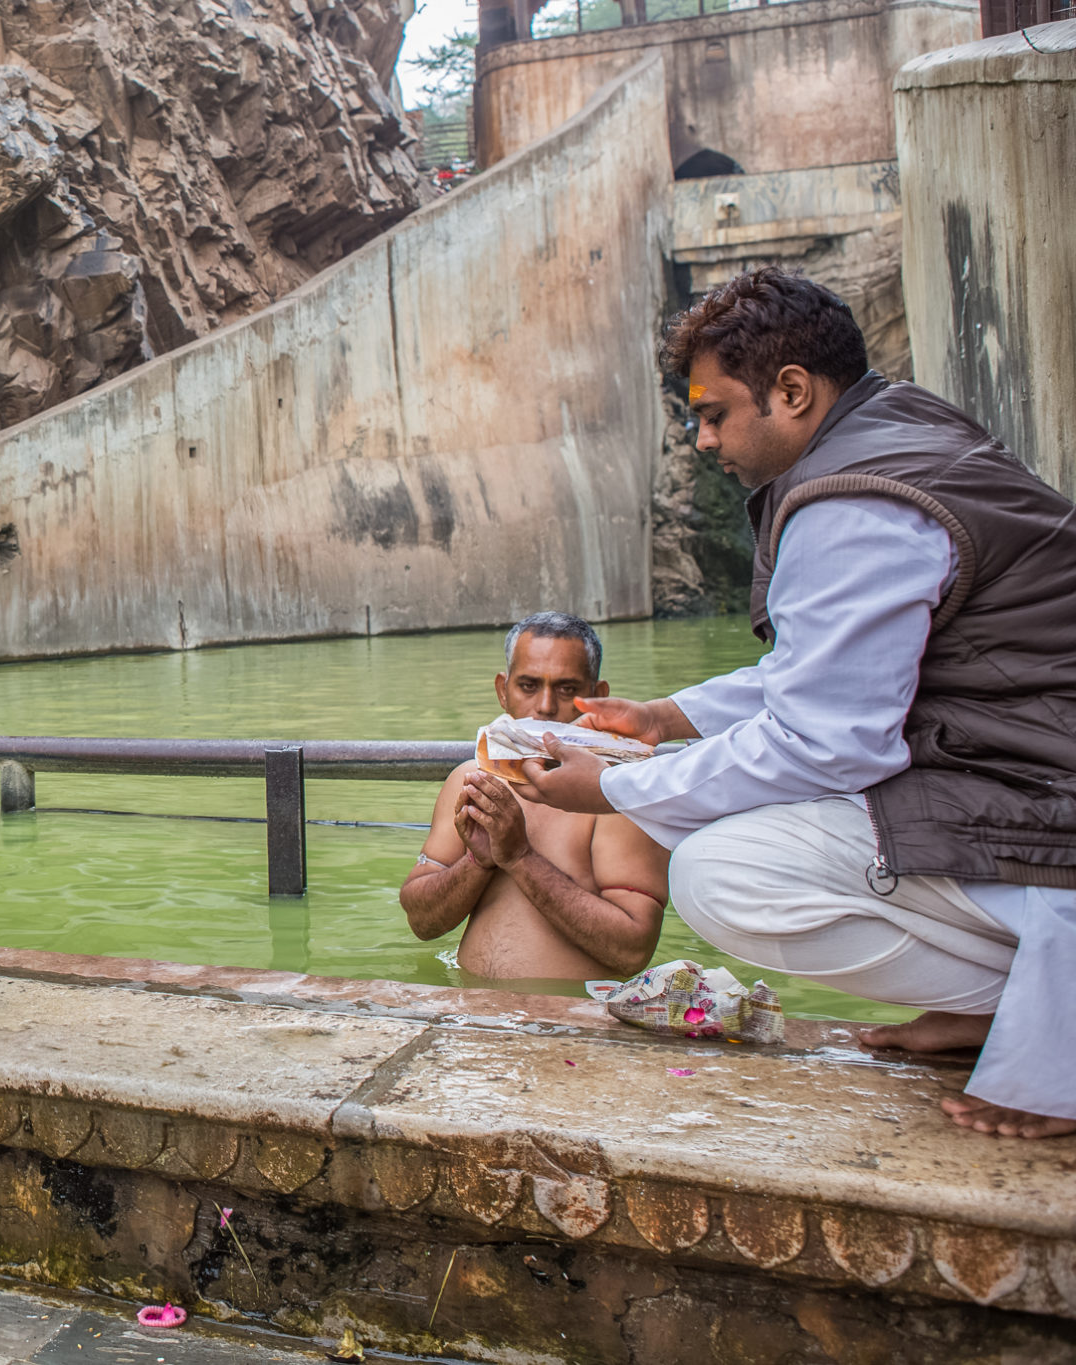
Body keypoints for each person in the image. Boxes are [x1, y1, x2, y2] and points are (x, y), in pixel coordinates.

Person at [517, 267, 1076, 1139]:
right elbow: (837, 670)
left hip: (1044, 800)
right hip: (1025, 777)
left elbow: (827, 741)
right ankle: (1006, 1006)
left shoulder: (853, 498)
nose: (702, 441)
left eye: (712, 414)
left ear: (791, 391)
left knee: (723, 870)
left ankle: (1041, 1016)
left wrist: (617, 786)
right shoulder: (897, 430)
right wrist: (667, 718)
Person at [400, 612, 669, 981]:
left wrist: (520, 858)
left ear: (599, 697)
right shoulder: (470, 779)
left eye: (567, 689)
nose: (544, 706)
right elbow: (420, 921)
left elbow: (631, 951)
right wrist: (478, 863)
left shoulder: (617, 791)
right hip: (467, 1014)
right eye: (528, 686)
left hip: (572, 1024)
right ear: (503, 691)